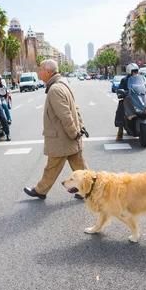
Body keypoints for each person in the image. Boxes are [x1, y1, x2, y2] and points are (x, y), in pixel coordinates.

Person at [24, 59, 88, 200]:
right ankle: (89, 189)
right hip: (69, 137)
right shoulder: (62, 84)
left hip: (62, 138)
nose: (38, 73)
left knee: (52, 167)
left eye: (40, 70)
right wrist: (78, 129)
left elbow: (65, 115)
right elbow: (74, 109)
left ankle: (40, 190)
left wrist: (74, 133)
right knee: (80, 167)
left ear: (48, 71)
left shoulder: (55, 89)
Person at [115, 63, 146, 141]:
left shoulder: (142, 78)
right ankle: (120, 133)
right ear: (129, 71)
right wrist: (122, 92)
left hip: (140, 97)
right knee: (121, 108)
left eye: (136, 71)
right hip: (129, 99)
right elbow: (120, 89)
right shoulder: (125, 80)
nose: (135, 73)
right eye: (133, 71)